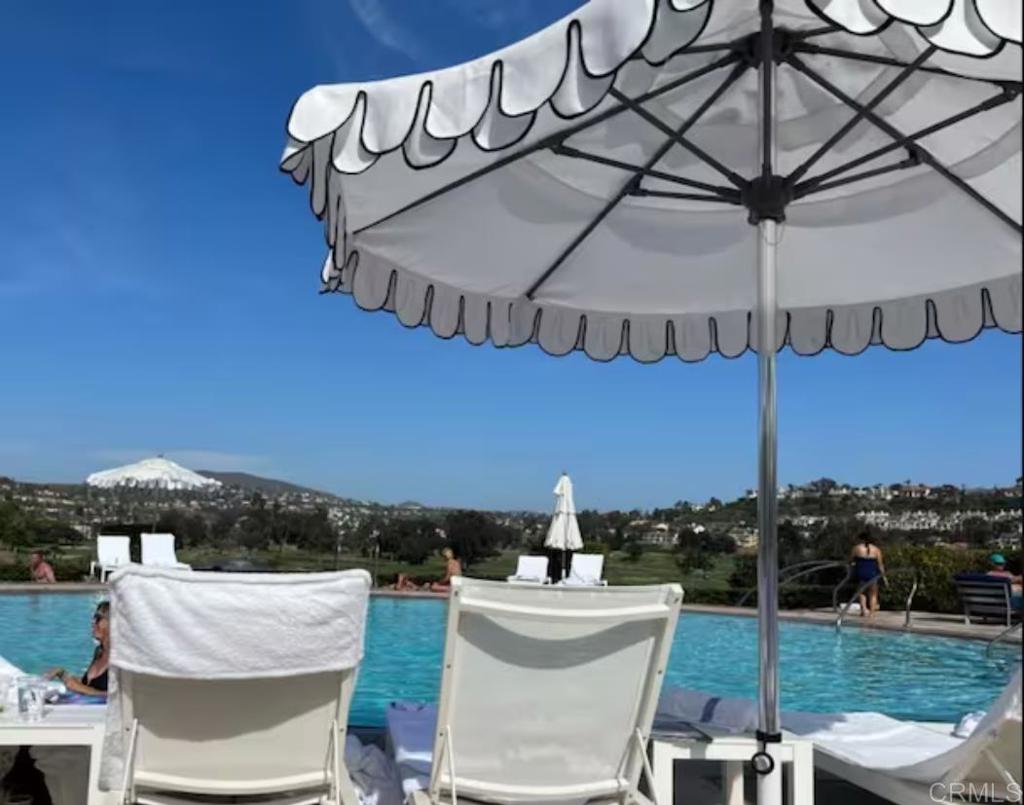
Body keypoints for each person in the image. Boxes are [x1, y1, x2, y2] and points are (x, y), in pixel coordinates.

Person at [45, 601, 110, 696]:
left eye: (98, 619)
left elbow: (120, 697)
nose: (93, 623)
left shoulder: (120, 659)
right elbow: (89, 684)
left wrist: (81, 688)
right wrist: (62, 673)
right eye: (94, 619)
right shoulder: (99, 652)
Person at [850, 533, 886, 617]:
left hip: (861, 572)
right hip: (872, 573)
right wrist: (884, 576)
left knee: (861, 592)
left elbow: (851, 560)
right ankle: (872, 613)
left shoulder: (856, 548)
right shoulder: (876, 550)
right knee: (873, 594)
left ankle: (864, 610)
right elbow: (880, 564)